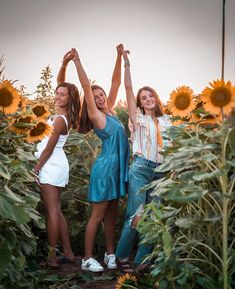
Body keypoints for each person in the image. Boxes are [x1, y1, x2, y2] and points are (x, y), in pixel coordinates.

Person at [57, 45, 130, 272]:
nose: (99, 98)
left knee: (111, 215)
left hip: (117, 170)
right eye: (95, 97)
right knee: (97, 216)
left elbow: (116, 83)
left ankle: (109, 254)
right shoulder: (96, 115)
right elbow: (87, 87)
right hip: (105, 170)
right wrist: (77, 61)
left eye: (101, 95)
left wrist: (118, 57)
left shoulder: (111, 112)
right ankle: (87, 258)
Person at [115, 50, 172, 273]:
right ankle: (121, 257)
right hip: (141, 169)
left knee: (154, 216)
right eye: (143, 98)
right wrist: (126, 64)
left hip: (161, 172)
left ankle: (141, 262)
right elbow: (128, 89)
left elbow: (172, 147)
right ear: (140, 103)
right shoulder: (137, 118)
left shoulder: (167, 120)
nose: (148, 99)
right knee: (136, 213)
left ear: (156, 98)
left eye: (151, 96)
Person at [34, 82, 81, 269]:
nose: (58, 96)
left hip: (50, 165)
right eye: (57, 93)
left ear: (70, 98)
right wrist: (64, 64)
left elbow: (49, 148)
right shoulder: (61, 116)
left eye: (63, 94)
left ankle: (51, 256)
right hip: (54, 164)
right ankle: (68, 252)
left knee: (51, 212)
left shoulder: (61, 119)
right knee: (57, 211)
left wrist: (36, 169)